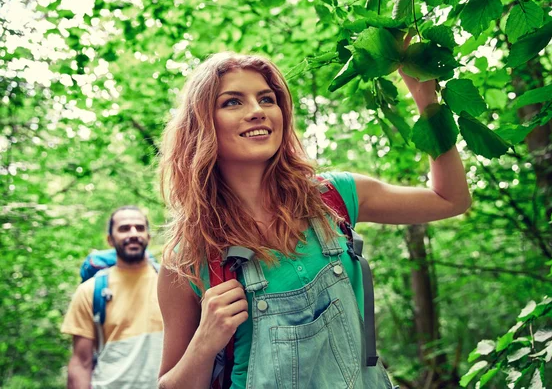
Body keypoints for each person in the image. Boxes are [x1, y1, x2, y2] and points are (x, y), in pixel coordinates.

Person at [157, 51, 471, 389]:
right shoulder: (188, 258)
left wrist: (426, 97)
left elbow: (450, 199)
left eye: (267, 99)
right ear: (202, 122)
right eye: (232, 102)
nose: (257, 111)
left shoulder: (333, 198)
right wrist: (204, 342)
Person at [61, 206, 164, 389]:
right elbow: (80, 363)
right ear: (110, 239)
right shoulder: (91, 291)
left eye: (139, 228)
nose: (133, 234)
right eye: (124, 228)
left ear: (148, 236)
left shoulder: (170, 284)